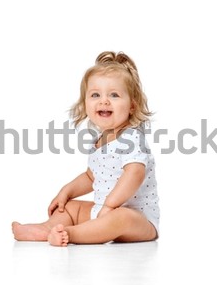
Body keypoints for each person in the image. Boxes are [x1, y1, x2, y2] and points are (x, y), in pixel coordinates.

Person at [12, 51, 160, 246]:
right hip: (103, 211)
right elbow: (91, 177)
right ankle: (47, 228)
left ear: (132, 106)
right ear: (86, 103)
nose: (104, 101)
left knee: (122, 217)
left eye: (114, 95)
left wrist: (109, 205)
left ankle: (70, 234)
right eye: (95, 95)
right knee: (71, 208)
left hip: (138, 219)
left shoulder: (132, 137)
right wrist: (66, 192)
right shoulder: (99, 142)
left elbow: (135, 174)